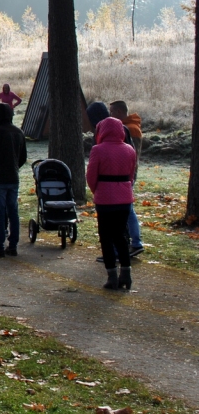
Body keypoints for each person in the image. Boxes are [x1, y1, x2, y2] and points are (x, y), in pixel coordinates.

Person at [87, 101, 144, 262]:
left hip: (110, 183)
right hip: (125, 179)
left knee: (110, 224)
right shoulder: (123, 130)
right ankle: (129, 247)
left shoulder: (103, 137)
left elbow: (92, 171)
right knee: (125, 213)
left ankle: (116, 253)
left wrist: (96, 188)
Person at [87, 116, 137, 290]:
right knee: (121, 236)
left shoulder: (98, 150)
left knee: (106, 237)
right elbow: (131, 175)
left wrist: (97, 191)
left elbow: (91, 176)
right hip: (124, 197)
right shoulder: (130, 150)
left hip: (105, 198)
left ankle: (112, 277)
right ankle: (126, 274)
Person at [0, 103, 27, 257]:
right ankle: (13, 245)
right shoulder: (19, 133)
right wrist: (14, 167)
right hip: (13, 177)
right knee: (13, 211)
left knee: (0, 212)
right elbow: (23, 157)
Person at [110, 100, 144, 257]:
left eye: (111, 112)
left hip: (126, 175)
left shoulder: (131, 129)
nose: (110, 116)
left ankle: (134, 242)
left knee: (127, 210)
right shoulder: (127, 127)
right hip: (126, 174)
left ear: (118, 112)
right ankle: (131, 241)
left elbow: (132, 155)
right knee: (127, 209)